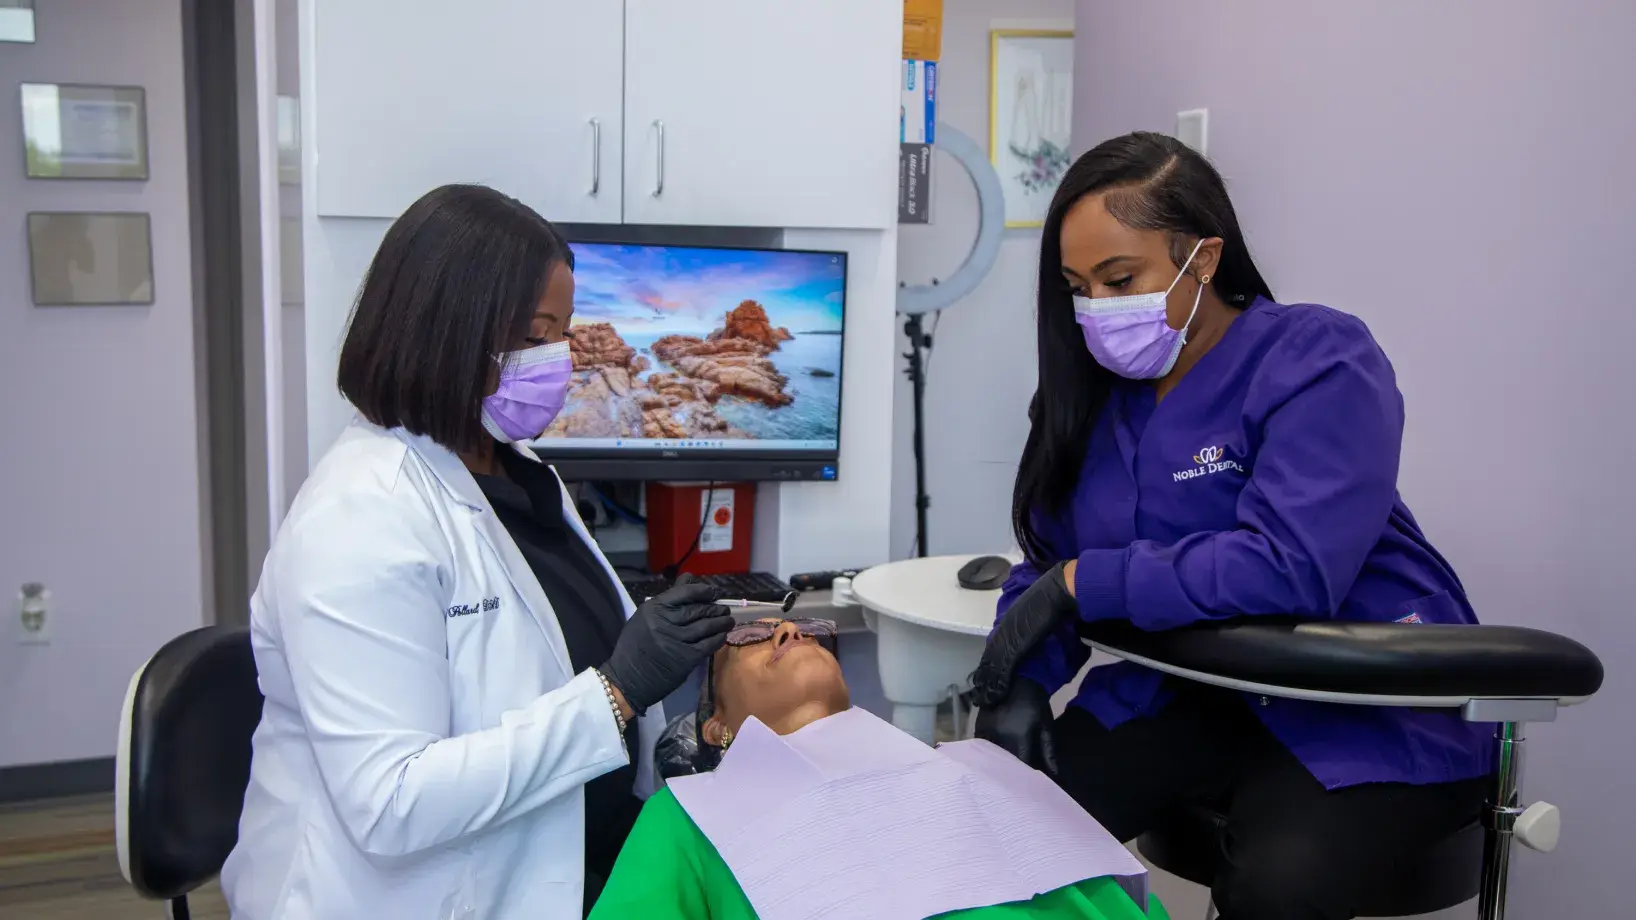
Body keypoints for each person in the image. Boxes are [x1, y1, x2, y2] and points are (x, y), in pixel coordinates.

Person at [966, 132, 1492, 920]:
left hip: (1364, 708)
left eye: (1121, 279)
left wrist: (1083, 584)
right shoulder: (1094, 403)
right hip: (1190, 696)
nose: (1098, 310)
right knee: (995, 830)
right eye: (1079, 286)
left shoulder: (1317, 357)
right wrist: (1020, 679)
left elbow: (1291, 566)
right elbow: (1048, 566)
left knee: (1279, 887)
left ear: (1203, 259)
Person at [220, 184, 735, 920]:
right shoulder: (360, 515)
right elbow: (392, 802)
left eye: (560, 331)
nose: (557, 359)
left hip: (572, 867)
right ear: (446, 331)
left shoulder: (520, 471)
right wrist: (617, 689)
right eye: (532, 335)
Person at [590, 618, 1171, 920]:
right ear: (718, 728)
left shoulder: (981, 768)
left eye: (810, 631)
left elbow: (1124, 898)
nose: (792, 630)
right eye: (750, 636)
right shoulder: (693, 813)